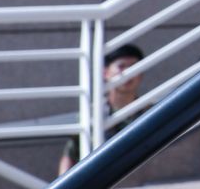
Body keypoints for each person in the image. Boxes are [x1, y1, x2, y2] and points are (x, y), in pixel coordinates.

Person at [58, 43, 144, 175]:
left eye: (133, 66)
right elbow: (71, 155)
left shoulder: (151, 112)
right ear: (105, 72)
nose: (127, 72)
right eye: (121, 66)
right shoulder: (91, 115)